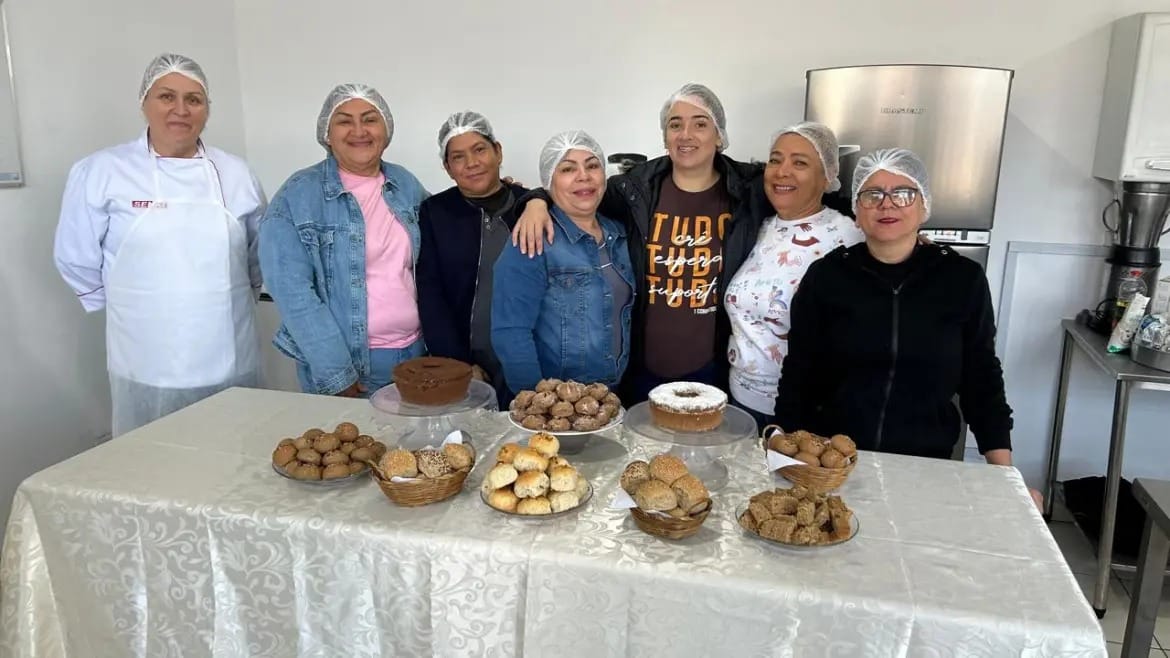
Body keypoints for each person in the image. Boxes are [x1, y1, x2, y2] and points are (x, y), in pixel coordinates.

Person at [53, 53, 266, 437]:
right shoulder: (103, 171)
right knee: (152, 457)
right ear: (144, 103)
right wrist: (134, 305)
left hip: (230, 353)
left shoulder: (236, 173)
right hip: (145, 359)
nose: (181, 110)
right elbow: (75, 255)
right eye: (167, 96)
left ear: (207, 109)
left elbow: (257, 254)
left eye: (194, 99)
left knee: (235, 451)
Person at [510, 84, 766, 404]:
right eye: (675, 124)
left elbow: (802, 190)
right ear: (665, 136)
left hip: (713, 367)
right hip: (641, 368)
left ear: (719, 135)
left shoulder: (750, 191)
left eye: (700, 123)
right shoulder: (634, 190)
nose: (686, 134)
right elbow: (580, 191)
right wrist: (535, 200)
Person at [774, 148, 1024, 466]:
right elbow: (798, 373)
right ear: (857, 210)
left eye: (903, 194)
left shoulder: (962, 279)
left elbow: (982, 377)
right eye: (872, 194)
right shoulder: (826, 276)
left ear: (924, 206)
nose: (887, 204)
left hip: (926, 463)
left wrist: (1005, 474)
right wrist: (785, 455)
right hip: (832, 461)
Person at [259, 84, 428, 397]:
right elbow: (293, 292)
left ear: (386, 129)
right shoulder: (299, 195)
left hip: (417, 358)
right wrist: (337, 375)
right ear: (327, 133)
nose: (359, 131)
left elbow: (447, 227)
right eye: (344, 121)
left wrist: (516, 199)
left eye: (370, 119)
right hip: (353, 368)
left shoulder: (404, 184)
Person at [725, 123, 865, 429]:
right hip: (740, 402)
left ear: (827, 176)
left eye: (800, 163)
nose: (782, 171)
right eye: (775, 160)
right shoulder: (755, 226)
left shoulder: (851, 237)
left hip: (806, 410)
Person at [492, 131, 635, 394]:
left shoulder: (621, 233)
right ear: (549, 181)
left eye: (592, 166)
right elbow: (511, 332)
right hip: (560, 401)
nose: (584, 176)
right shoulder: (532, 240)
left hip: (616, 394)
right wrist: (536, 402)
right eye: (568, 169)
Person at [416, 111, 527, 407]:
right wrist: (457, 364)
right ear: (447, 168)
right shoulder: (435, 213)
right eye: (458, 157)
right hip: (468, 364)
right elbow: (430, 292)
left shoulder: (531, 206)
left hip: (530, 360)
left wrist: (538, 201)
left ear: (498, 152)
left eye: (480, 150)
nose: (472, 163)